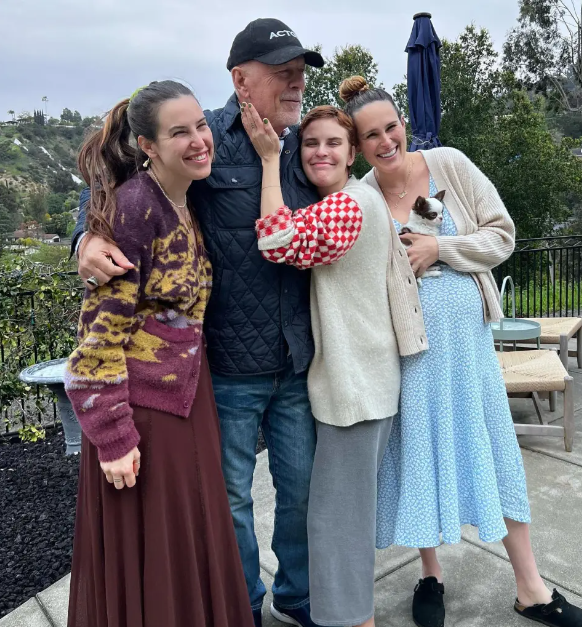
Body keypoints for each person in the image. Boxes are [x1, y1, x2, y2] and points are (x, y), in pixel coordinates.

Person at [71, 18, 328, 627]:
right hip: (228, 368)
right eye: (282, 72)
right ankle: (244, 606)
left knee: (300, 494)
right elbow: (114, 191)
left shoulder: (309, 147)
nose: (296, 82)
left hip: (294, 360)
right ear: (241, 80)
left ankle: (299, 597)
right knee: (229, 502)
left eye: (300, 72)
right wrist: (85, 237)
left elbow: (354, 188)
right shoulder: (206, 140)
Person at [339, 75, 582, 627]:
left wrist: (441, 248)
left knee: (495, 458)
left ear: (404, 124)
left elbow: (502, 236)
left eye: (391, 127)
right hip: (409, 359)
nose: (386, 141)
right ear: (358, 146)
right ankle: (430, 573)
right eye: (371, 136)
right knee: (419, 461)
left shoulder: (449, 164)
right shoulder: (360, 197)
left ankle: (530, 588)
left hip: (469, 354)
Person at [63, 81, 254, 627]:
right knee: (157, 559)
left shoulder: (182, 199)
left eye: (201, 125)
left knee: (189, 545)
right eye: (179, 132)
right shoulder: (135, 209)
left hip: (186, 400)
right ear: (148, 145)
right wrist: (114, 439)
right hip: (140, 417)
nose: (199, 140)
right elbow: (97, 341)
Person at [240, 101, 424, 627]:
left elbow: (277, 241)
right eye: (311, 143)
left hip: (355, 387)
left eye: (333, 143)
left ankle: (355, 621)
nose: (320, 152)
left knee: (338, 524)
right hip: (360, 383)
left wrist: (269, 160)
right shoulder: (350, 201)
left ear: (351, 154)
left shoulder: (350, 204)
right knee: (340, 517)